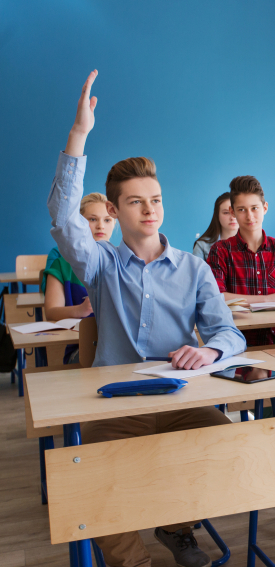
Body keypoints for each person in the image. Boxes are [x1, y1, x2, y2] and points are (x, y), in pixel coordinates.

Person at [49, 70, 247, 567]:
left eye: (155, 200)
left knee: (232, 447)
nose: (149, 209)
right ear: (115, 211)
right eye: (136, 202)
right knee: (89, 473)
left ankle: (176, 525)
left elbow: (229, 332)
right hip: (115, 404)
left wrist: (210, 349)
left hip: (181, 395)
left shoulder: (193, 267)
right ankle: (134, 561)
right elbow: (61, 216)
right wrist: (80, 136)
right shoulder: (100, 263)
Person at [206, 175, 275, 346]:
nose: (249, 216)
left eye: (254, 208)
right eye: (241, 209)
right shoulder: (220, 251)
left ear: (265, 207)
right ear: (232, 212)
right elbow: (217, 297)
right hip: (236, 343)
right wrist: (270, 299)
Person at [42, 192, 116, 363]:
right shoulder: (61, 265)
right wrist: (81, 310)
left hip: (119, 349)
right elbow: (51, 312)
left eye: (107, 220)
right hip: (82, 349)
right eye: (92, 219)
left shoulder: (124, 262)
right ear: (79, 225)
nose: (100, 226)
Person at [192, 192, 238, 261]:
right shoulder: (202, 246)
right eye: (226, 212)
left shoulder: (256, 243)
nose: (232, 218)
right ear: (217, 215)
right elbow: (195, 271)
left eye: (236, 212)